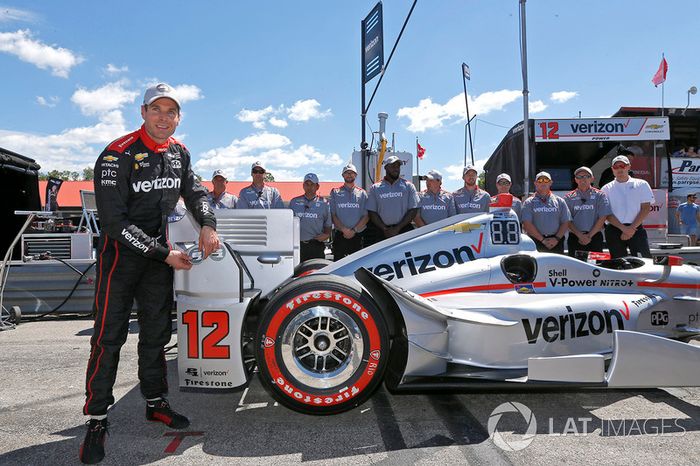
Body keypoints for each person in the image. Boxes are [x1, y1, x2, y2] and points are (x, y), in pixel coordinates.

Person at [82, 83, 220, 464]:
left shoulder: (179, 153)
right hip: (120, 261)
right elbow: (113, 222)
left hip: (159, 262)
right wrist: (165, 254)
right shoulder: (117, 154)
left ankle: (156, 401)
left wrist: (208, 224)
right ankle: (96, 417)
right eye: (156, 110)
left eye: (171, 112)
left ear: (178, 118)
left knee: (157, 336)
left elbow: (196, 194)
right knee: (108, 338)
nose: (164, 117)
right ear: (143, 112)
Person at [601, 155, 655, 258]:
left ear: (628, 166)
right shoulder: (606, 188)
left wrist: (631, 228)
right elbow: (606, 213)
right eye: (616, 167)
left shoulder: (641, 184)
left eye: (622, 165)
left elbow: (646, 208)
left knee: (644, 262)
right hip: (614, 229)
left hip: (636, 228)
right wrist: (624, 229)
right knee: (618, 263)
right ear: (612, 169)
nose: (619, 169)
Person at [366, 155, 419, 245]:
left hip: (404, 230)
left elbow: (413, 210)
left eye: (398, 166)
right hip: (382, 231)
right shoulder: (375, 188)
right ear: (386, 168)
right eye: (393, 166)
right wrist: (385, 229)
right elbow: (372, 212)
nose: (396, 168)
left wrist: (397, 228)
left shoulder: (409, 186)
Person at [564, 167, 611, 257]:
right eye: (579, 177)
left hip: (595, 237)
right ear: (575, 180)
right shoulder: (568, 197)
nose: (583, 179)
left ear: (592, 178)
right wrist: (580, 235)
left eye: (586, 176)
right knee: (576, 266)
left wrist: (589, 236)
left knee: (595, 266)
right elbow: (567, 220)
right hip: (575, 237)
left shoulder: (600, 195)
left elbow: (603, 217)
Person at [521, 171, 571, 254]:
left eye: (546, 180)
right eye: (540, 180)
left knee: (557, 266)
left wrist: (556, 238)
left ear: (551, 183)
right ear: (535, 183)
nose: (543, 182)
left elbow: (565, 222)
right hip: (536, 241)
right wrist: (543, 240)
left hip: (556, 242)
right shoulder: (528, 202)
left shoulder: (560, 201)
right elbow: (527, 224)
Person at [329, 163, 368, 260]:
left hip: (358, 235)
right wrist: (344, 230)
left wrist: (354, 230)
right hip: (340, 235)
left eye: (352, 173)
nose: (349, 175)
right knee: (338, 266)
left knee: (358, 266)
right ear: (343, 175)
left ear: (356, 175)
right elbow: (333, 214)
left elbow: (366, 216)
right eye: (347, 173)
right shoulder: (335, 192)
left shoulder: (362, 193)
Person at [289, 173, 331, 262]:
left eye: (312, 184)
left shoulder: (324, 203)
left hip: (316, 246)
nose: (309, 187)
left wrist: (326, 234)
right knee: (298, 274)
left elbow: (328, 225)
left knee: (316, 273)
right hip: (298, 246)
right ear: (303, 186)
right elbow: (287, 224)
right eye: (307, 184)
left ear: (317, 187)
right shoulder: (294, 202)